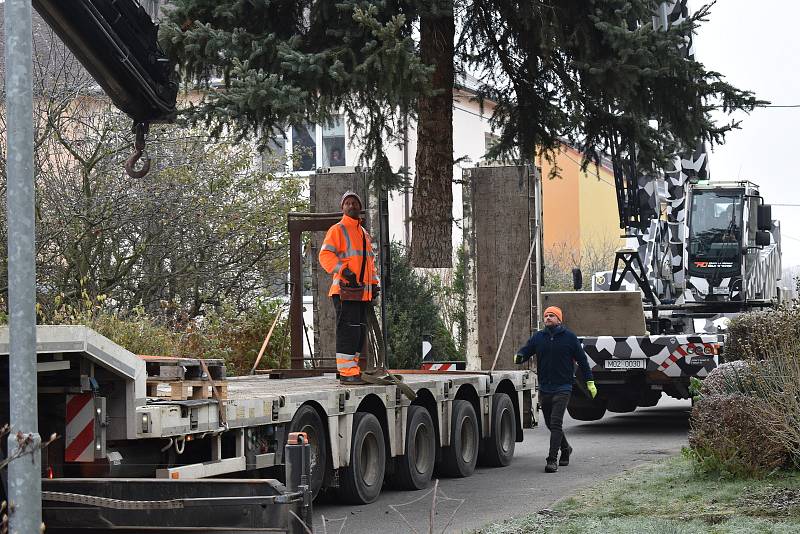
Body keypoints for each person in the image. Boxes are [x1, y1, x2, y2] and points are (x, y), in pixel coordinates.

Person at [513, 306, 597, 473]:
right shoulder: (538, 337)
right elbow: (526, 351)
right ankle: (566, 449)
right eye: (546, 315)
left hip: (563, 386)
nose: (548, 318)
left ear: (559, 319)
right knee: (551, 424)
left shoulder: (570, 338)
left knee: (556, 422)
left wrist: (590, 381)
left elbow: (583, 361)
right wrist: (520, 356)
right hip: (545, 387)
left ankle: (552, 460)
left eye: (552, 315)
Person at [319, 191, 379, 384]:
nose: (351, 205)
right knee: (349, 330)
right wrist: (344, 271)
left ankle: (351, 369)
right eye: (348, 203)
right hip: (345, 291)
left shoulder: (363, 233)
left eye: (355, 203)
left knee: (359, 332)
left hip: (361, 293)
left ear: (360, 208)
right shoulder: (338, 229)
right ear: (342, 207)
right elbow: (325, 256)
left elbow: (370, 263)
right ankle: (346, 373)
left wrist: (375, 284)